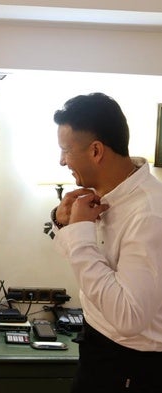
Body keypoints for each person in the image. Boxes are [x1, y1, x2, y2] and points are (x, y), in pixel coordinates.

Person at [50, 92, 162, 393]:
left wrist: (79, 233)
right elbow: (84, 263)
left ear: (96, 150)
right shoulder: (105, 197)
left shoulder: (150, 213)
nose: (61, 161)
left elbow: (129, 317)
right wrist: (64, 224)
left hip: (132, 367)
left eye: (65, 150)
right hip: (97, 348)